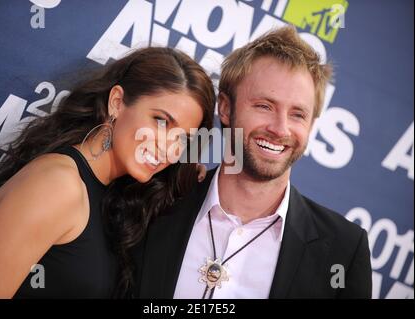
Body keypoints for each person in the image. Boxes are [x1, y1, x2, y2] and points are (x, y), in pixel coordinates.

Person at [132, 26, 372, 299]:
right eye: (264, 106)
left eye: (297, 115)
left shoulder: (343, 250)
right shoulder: (154, 202)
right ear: (225, 107)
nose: (280, 129)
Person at [0, 47, 215, 298]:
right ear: (117, 103)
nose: (168, 148)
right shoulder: (58, 184)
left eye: (182, 139)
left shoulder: (115, 197)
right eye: (161, 121)